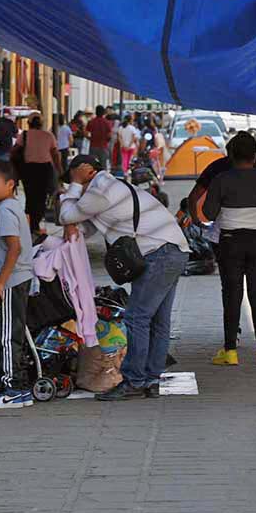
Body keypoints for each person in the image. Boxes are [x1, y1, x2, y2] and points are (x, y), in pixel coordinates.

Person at [59, 155, 190, 401]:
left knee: (137, 318)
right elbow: (85, 225)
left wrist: (74, 189)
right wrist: (72, 224)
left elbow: (66, 215)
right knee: (158, 321)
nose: (77, 189)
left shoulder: (99, 189)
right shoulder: (112, 185)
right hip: (173, 249)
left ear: (87, 171)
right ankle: (151, 379)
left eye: (77, 179)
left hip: (158, 254)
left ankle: (134, 381)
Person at [201, 133, 256, 366]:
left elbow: (208, 213)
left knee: (232, 294)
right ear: (255, 156)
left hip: (230, 242)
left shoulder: (221, 179)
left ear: (230, 156)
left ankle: (230, 352)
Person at [0, 161, 36, 409]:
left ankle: (15, 388)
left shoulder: (6, 211)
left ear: (10, 184)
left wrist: (0, 284)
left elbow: (14, 248)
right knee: (1, 333)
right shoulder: (8, 208)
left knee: (6, 337)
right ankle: (7, 384)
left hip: (9, 284)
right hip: (4, 283)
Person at [15, 114, 63, 234]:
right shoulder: (48, 135)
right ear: (41, 124)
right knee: (41, 197)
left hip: (28, 168)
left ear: (29, 123)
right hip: (44, 169)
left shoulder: (24, 135)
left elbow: (15, 149)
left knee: (30, 196)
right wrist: (59, 169)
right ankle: (35, 224)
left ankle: (30, 224)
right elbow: (55, 154)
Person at [86, 105, 114, 171]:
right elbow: (110, 135)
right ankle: (103, 179)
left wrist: (90, 138)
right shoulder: (107, 122)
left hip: (93, 146)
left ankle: (93, 178)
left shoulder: (91, 122)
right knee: (103, 165)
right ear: (103, 113)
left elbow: (86, 133)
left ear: (96, 112)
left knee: (92, 165)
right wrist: (106, 141)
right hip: (103, 146)